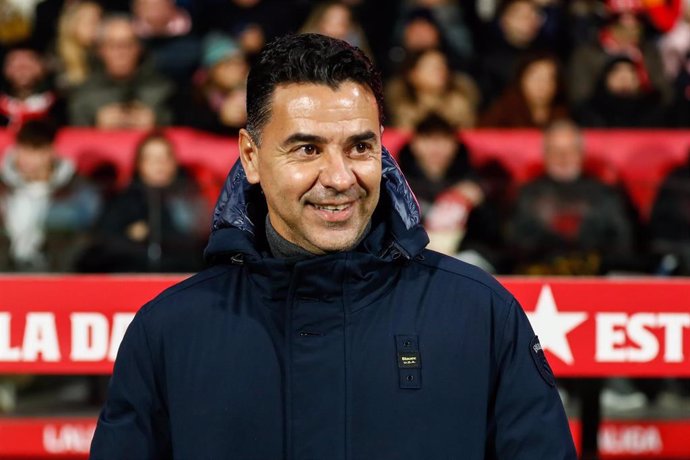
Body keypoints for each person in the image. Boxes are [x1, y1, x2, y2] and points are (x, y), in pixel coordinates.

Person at [90, 33, 576, 459]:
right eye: (307, 149)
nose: (341, 178)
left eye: (360, 147)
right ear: (251, 157)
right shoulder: (168, 332)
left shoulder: (483, 315)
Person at [507, 119, 635, 275]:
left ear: (581, 153)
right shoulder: (526, 195)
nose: (563, 157)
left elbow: (622, 243)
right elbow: (513, 245)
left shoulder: (605, 194)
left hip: (595, 279)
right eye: (556, 150)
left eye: (570, 150)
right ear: (546, 154)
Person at [77, 131, 209, 273]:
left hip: (180, 277)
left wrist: (153, 236)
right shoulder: (122, 201)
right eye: (151, 159)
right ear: (139, 164)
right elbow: (103, 243)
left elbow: (199, 242)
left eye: (165, 158)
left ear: (174, 162)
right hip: (130, 278)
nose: (159, 164)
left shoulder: (189, 198)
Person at [0, 119, 100, 272]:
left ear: (51, 151)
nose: (27, 158)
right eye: (23, 148)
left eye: (36, 149)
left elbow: (85, 235)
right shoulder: (3, 186)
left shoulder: (77, 189)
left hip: (58, 273)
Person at [68, 15, 174, 129]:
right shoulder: (84, 93)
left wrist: (158, 121)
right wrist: (95, 124)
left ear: (138, 49)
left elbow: (182, 134)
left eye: (127, 45)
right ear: (101, 50)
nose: (121, 53)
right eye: (113, 45)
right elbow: (73, 138)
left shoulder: (163, 89)